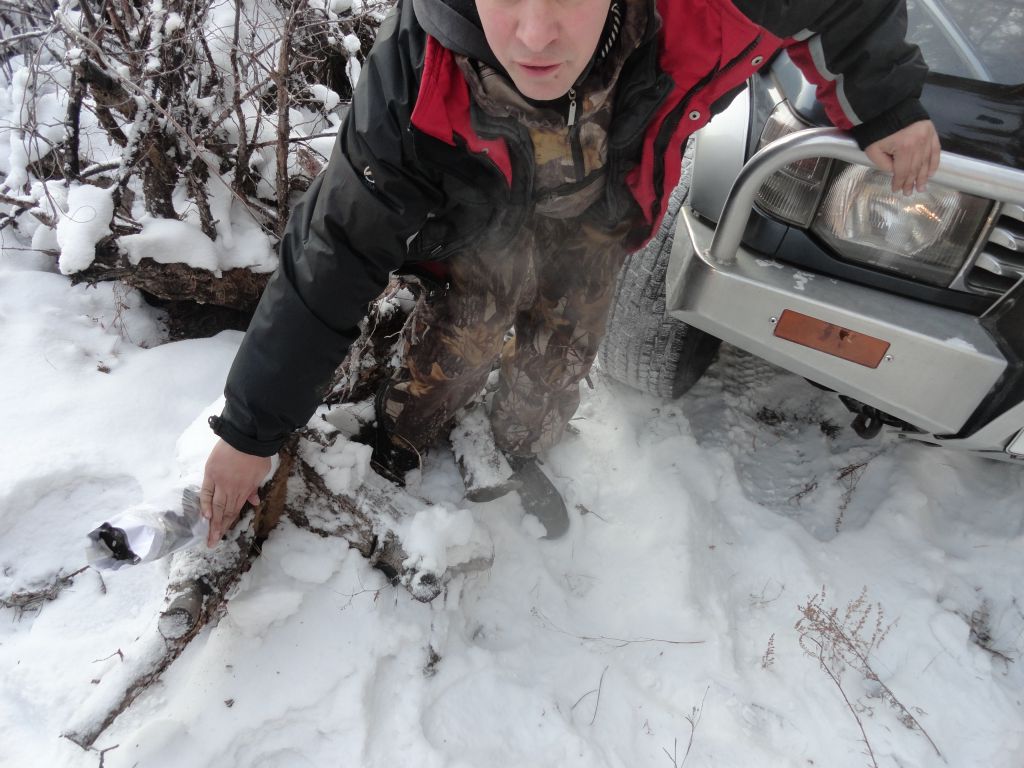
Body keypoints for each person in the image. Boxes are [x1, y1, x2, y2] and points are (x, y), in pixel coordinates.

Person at [199, 0, 942, 544]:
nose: (535, 34)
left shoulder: (699, 11)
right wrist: (248, 434)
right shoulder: (415, 77)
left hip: (597, 220)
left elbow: (845, 9)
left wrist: (886, 107)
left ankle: (520, 442)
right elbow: (332, 252)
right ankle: (406, 434)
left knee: (562, 351)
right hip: (477, 230)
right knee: (463, 335)